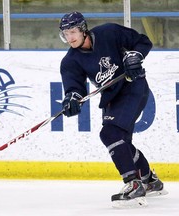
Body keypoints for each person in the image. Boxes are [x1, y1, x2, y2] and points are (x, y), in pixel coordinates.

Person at [58, 11, 168, 207]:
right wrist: (72, 99)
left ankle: (133, 184)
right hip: (112, 97)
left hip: (133, 86)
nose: (70, 37)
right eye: (65, 34)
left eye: (73, 31)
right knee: (121, 142)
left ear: (83, 29)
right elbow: (75, 88)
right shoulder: (70, 61)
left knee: (110, 134)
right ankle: (150, 180)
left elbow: (142, 42)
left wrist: (135, 56)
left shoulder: (109, 32)